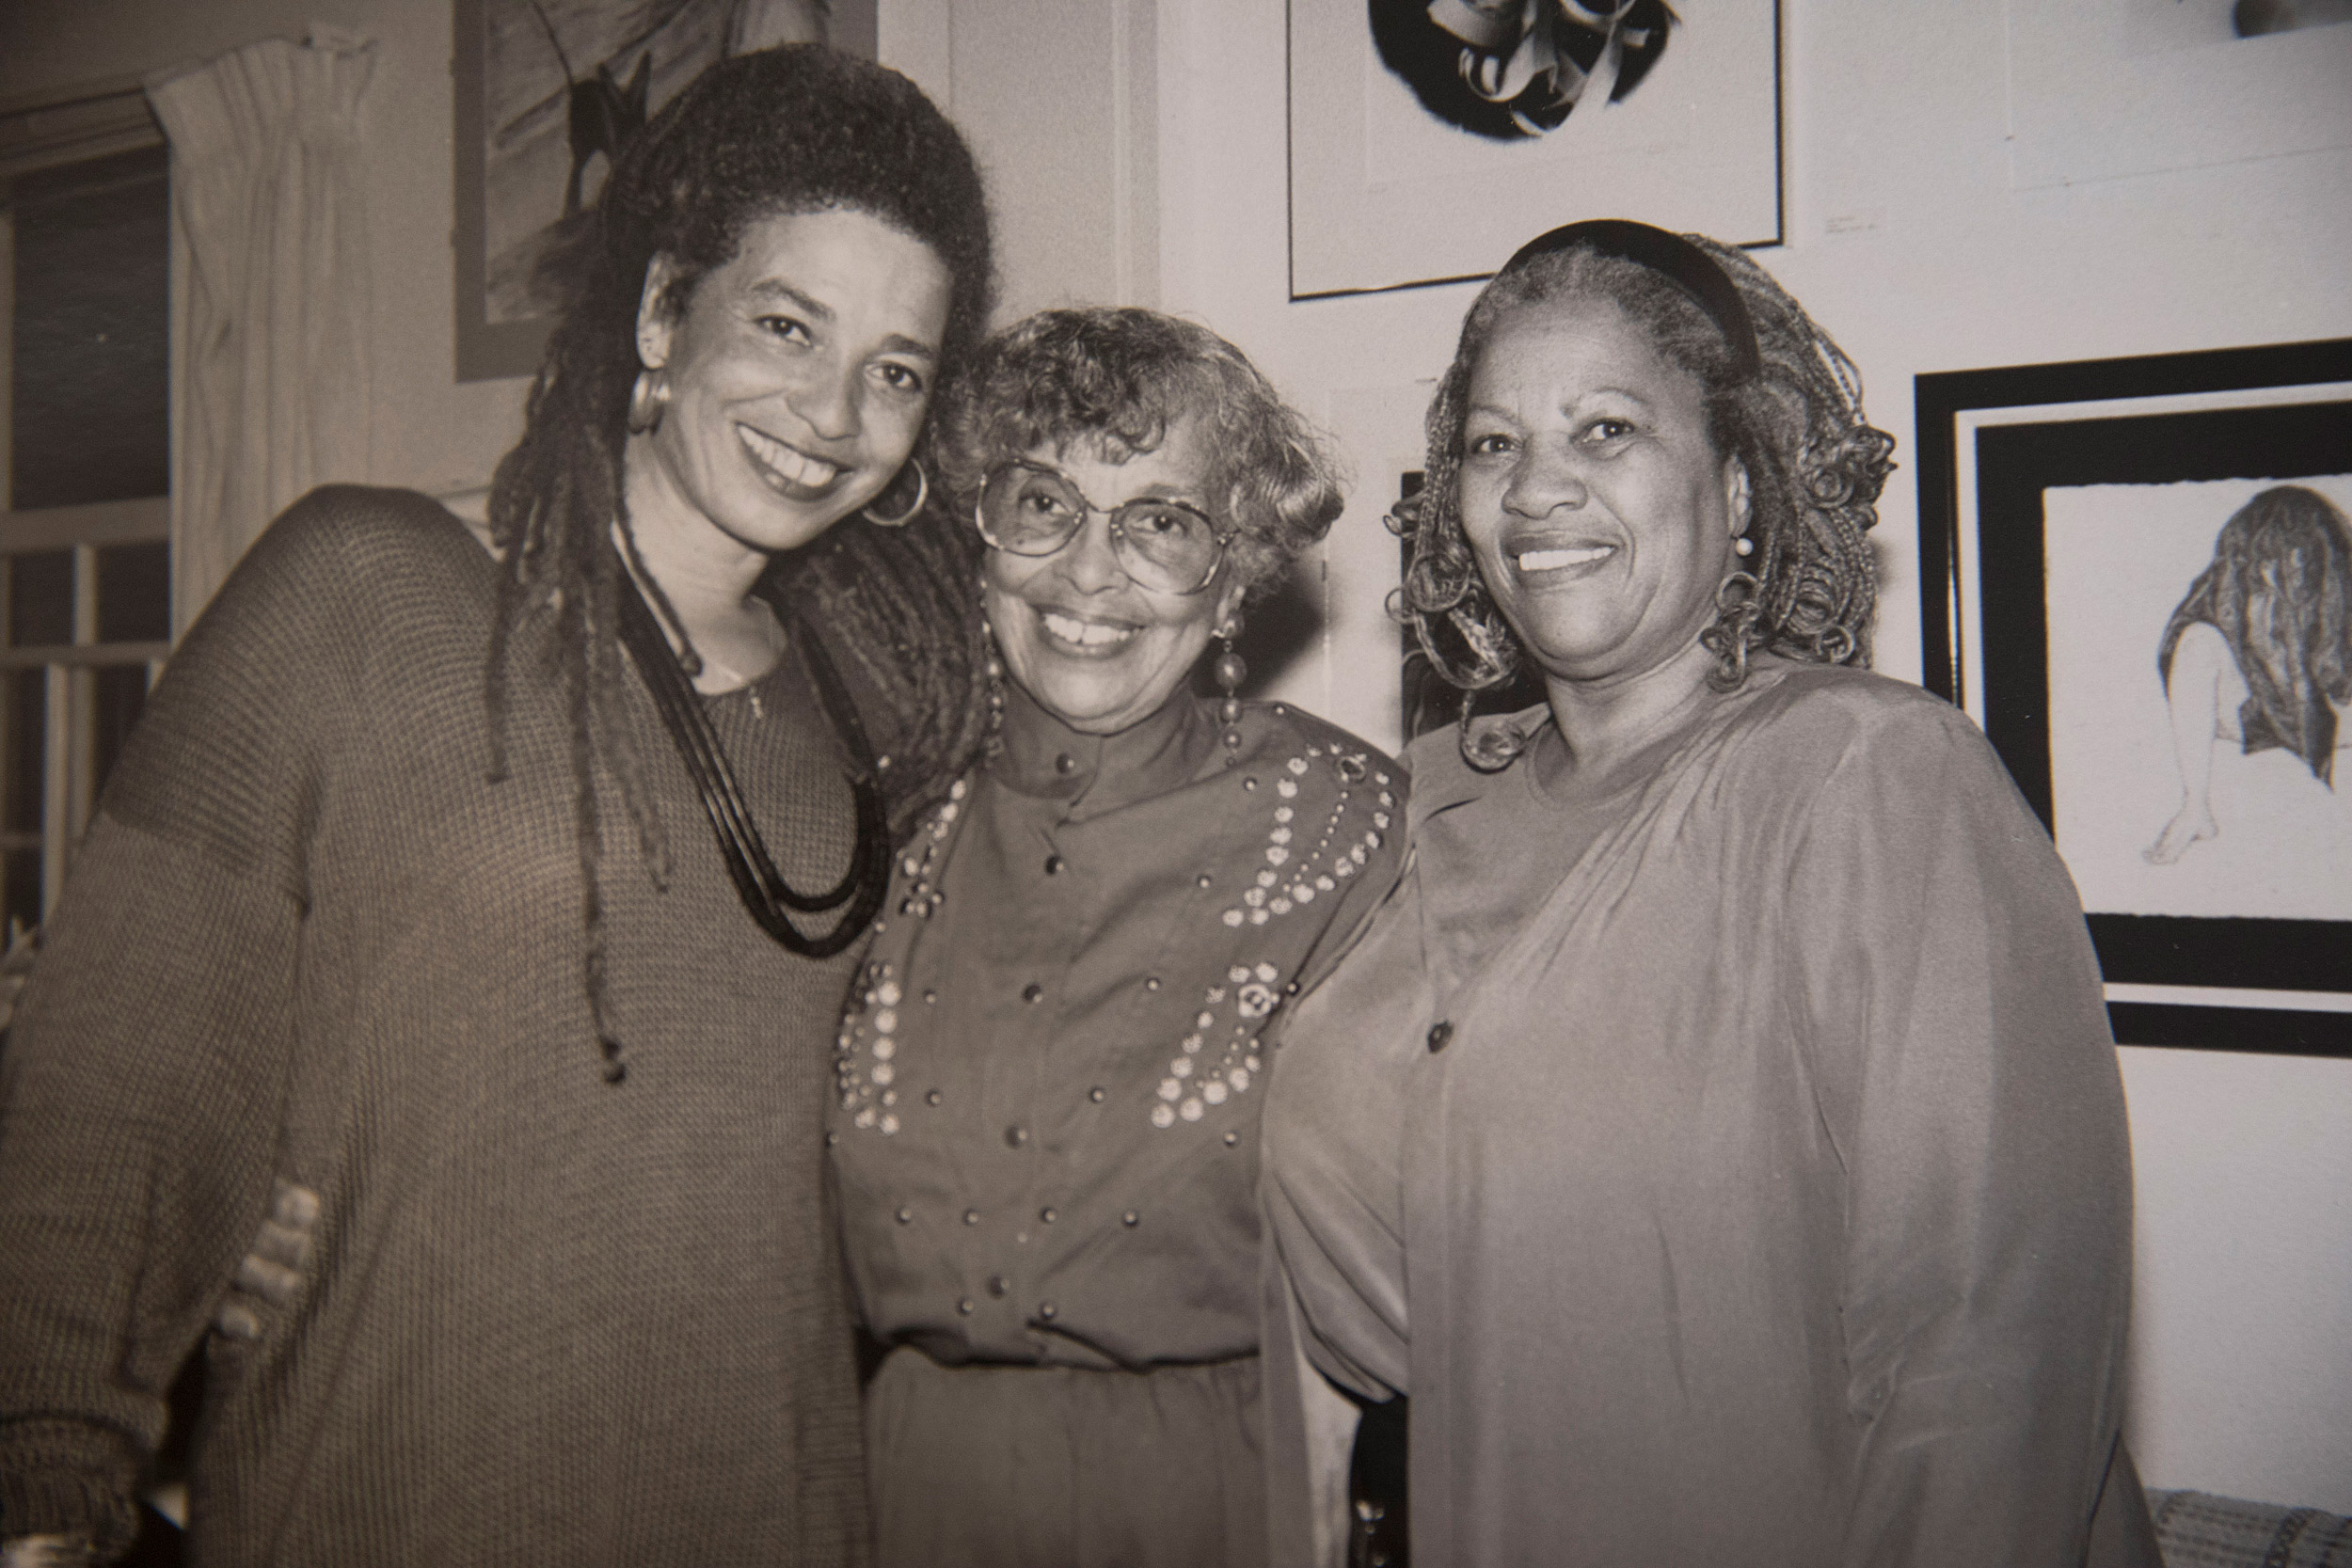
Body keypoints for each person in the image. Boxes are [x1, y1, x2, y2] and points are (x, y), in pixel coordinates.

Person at [0, 46, 992, 1565]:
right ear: (664, 311)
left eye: (897, 369)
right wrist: (49, 1484)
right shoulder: (360, 591)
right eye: (786, 324)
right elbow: (111, 1106)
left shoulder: (859, 711)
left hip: (770, 1502)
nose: (834, 409)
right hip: (399, 1488)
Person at [1259, 220, 2158, 1567]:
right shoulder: (1414, 806)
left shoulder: (1874, 778)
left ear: (1741, 481)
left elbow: (1990, 1354)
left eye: (1606, 430)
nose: (1537, 491)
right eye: (1494, 445)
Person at [826, 308, 1404, 1568]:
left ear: (1239, 568)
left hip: (1213, 1493)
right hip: (895, 1492)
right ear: (977, 536)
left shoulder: (1350, 829)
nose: (1090, 574)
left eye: (1161, 521)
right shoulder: (869, 812)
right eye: (1044, 505)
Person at [2145, 483, 2352, 864]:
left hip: (2333, 717)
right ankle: (2195, 807)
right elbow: (2181, 653)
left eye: (2293, 560)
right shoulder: (2227, 587)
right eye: (2262, 561)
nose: (2274, 574)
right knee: (2197, 642)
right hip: (2252, 715)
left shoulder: (2340, 587)